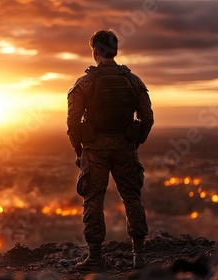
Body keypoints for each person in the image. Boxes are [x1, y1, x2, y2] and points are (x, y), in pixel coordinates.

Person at [66, 29, 154, 272]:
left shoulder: (85, 83)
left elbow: (73, 122)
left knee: (93, 201)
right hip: (125, 148)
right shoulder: (133, 81)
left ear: (95, 51)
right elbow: (147, 118)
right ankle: (139, 257)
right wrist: (134, 143)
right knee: (132, 198)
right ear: (114, 51)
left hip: (94, 150)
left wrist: (78, 150)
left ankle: (95, 258)